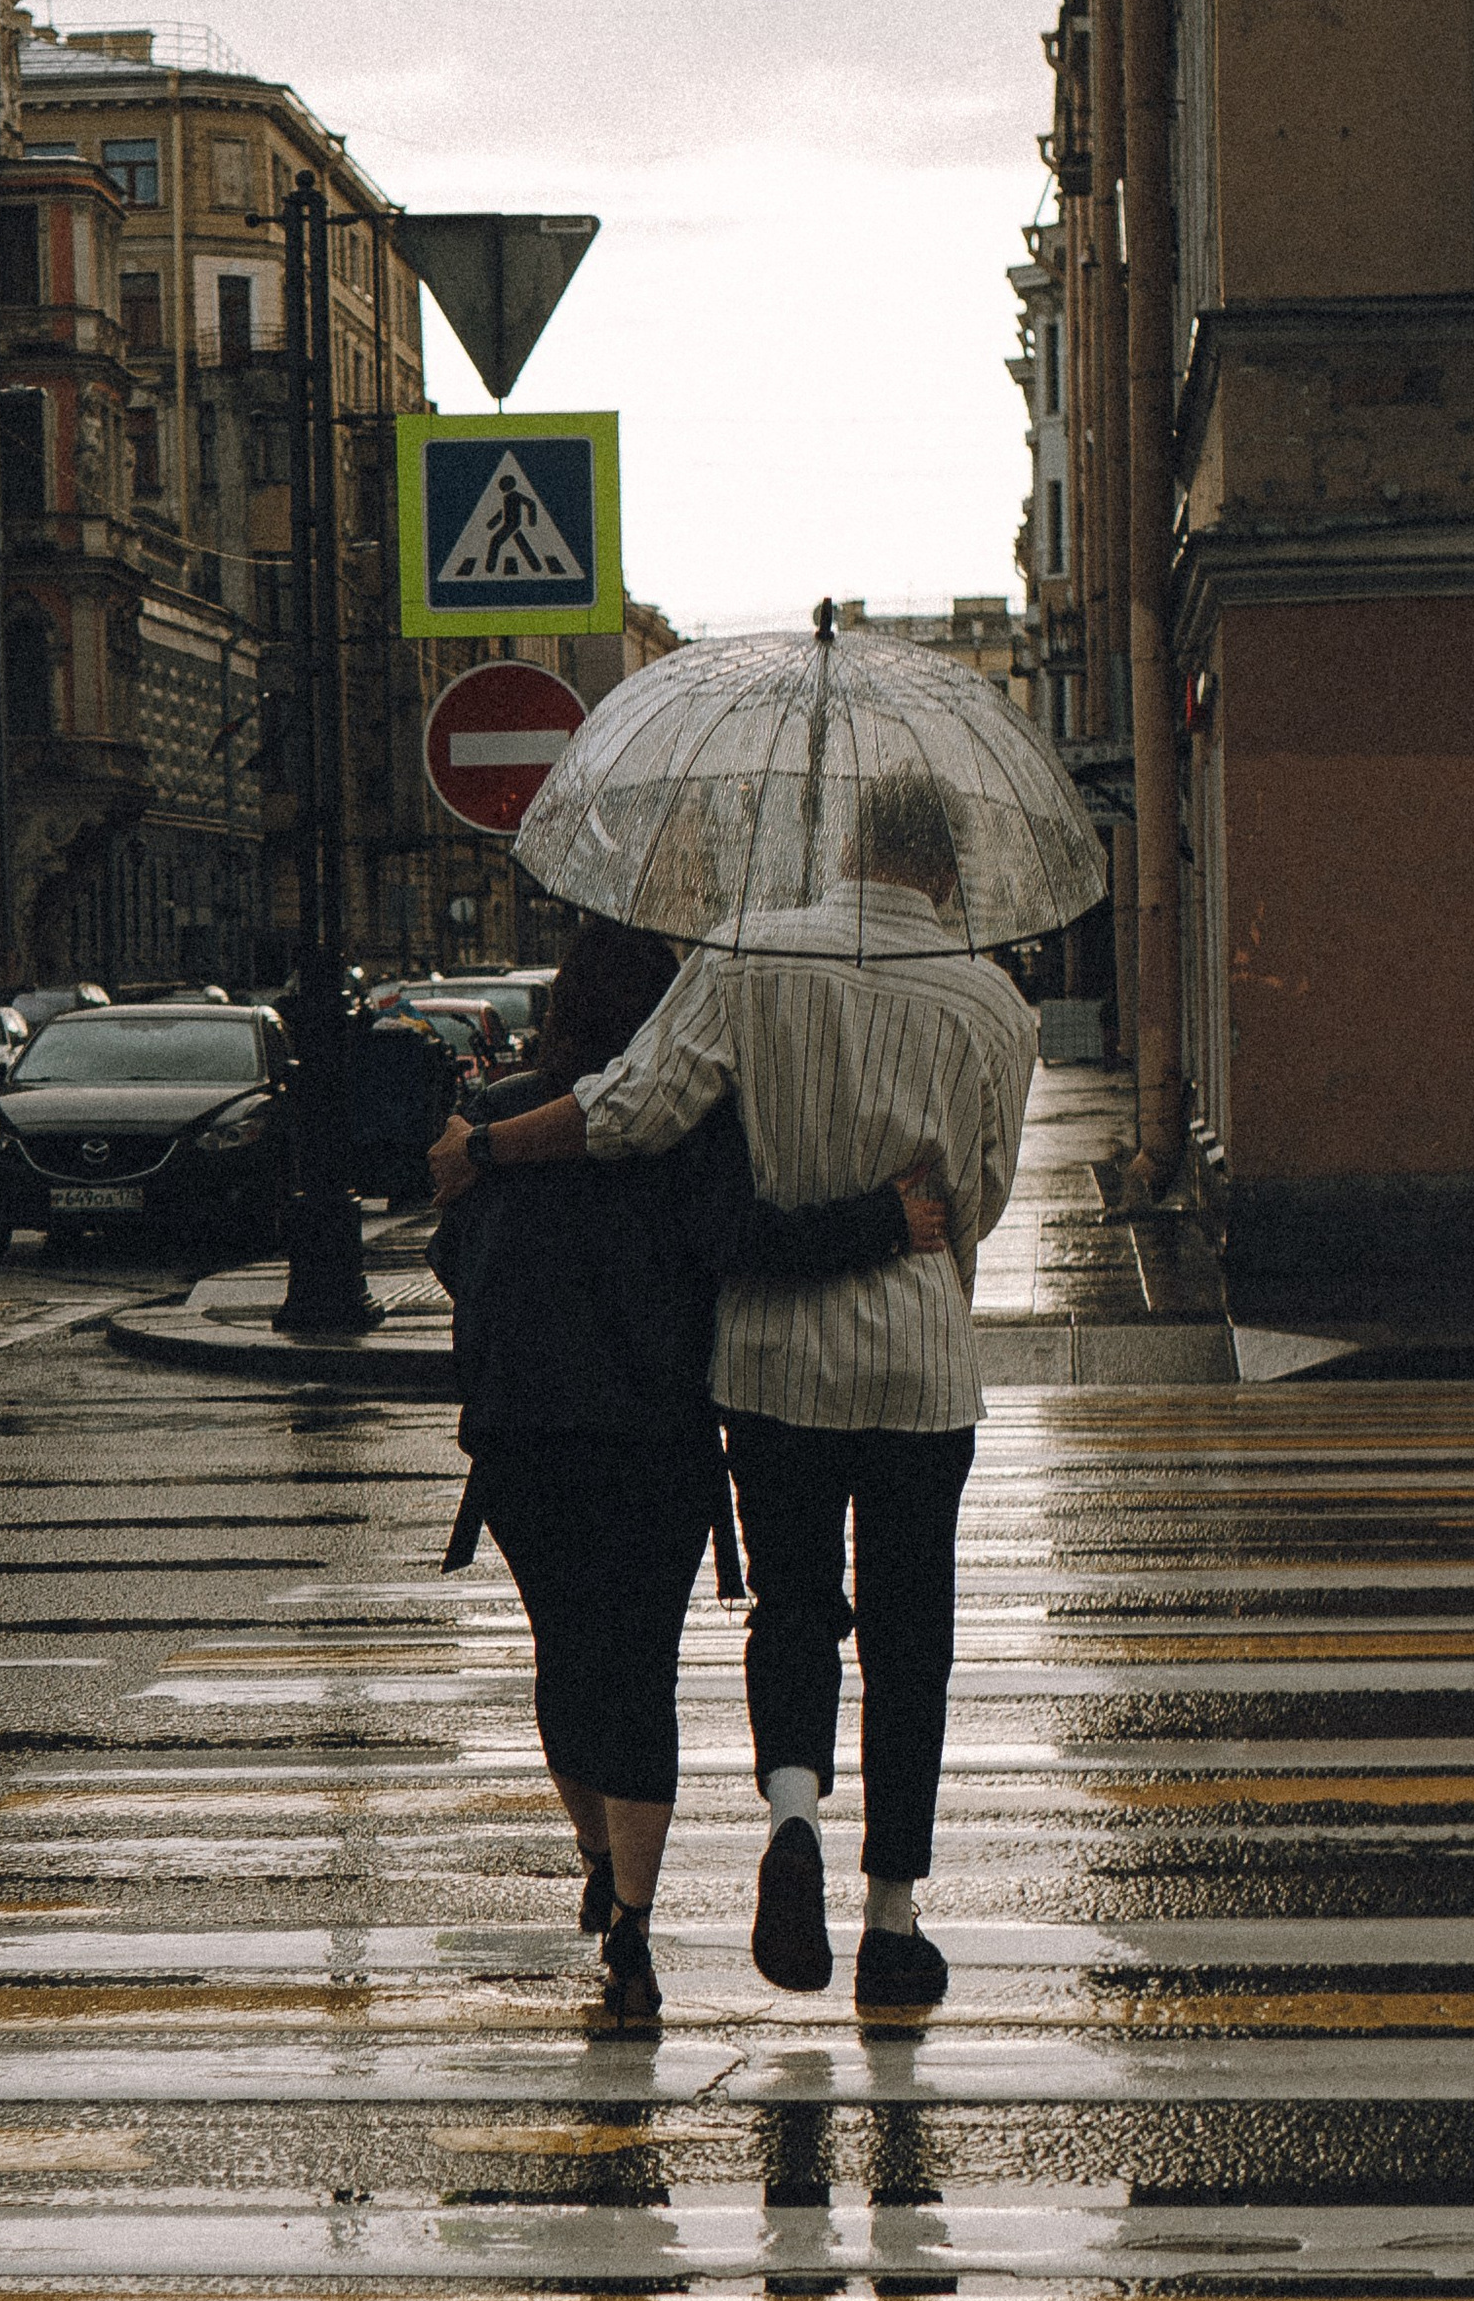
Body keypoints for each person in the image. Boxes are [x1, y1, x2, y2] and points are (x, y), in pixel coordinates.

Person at [431, 771, 1036, 2022]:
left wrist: (490, 1142)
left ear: (852, 848)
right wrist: (904, 1222)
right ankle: (892, 1921)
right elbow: (974, 1201)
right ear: (942, 870)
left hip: (773, 1366)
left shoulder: (748, 961)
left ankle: (796, 1817)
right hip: (924, 1368)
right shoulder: (995, 1005)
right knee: (913, 1635)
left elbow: (636, 1109)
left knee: (798, 1607)